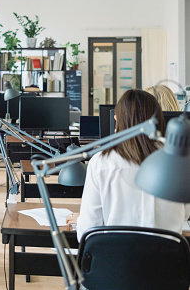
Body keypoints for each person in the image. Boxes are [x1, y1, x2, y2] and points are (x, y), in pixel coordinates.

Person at [67, 89, 190, 242]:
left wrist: (81, 219)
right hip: (167, 262)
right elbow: (185, 214)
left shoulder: (101, 163)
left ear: (116, 119)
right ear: (159, 120)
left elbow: (86, 233)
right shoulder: (177, 162)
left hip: (115, 262)